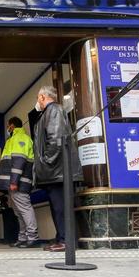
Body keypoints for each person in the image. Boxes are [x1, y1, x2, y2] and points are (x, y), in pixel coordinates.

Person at [33, 85, 82, 252]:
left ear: (42, 97)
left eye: (37, 99)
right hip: (57, 171)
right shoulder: (50, 112)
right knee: (58, 206)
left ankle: (66, 241)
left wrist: (46, 162)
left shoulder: (53, 111)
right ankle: (62, 238)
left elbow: (56, 140)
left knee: (60, 207)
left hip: (57, 171)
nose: (37, 102)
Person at [0, 117, 40, 248]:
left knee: (24, 209)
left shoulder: (20, 138)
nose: (7, 128)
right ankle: (23, 237)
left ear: (12, 126)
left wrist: (14, 181)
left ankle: (33, 237)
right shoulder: (13, 139)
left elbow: (19, 161)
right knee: (18, 211)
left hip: (19, 182)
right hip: (14, 183)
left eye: (8, 126)